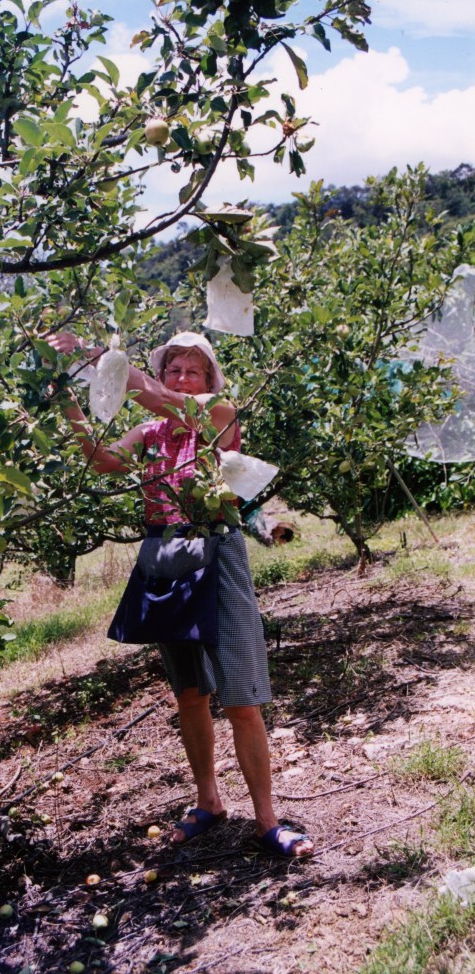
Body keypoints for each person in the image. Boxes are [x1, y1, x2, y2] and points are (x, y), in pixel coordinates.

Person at [46, 329, 313, 857]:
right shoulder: (148, 434)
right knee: (190, 693)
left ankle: (267, 820)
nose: (181, 378)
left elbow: (157, 397)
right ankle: (209, 800)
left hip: (218, 552)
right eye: (173, 369)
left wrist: (93, 353)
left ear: (209, 381)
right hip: (167, 559)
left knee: (241, 696)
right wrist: (66, 397)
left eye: (193, 371)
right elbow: (100, 459)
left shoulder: (216, 417)